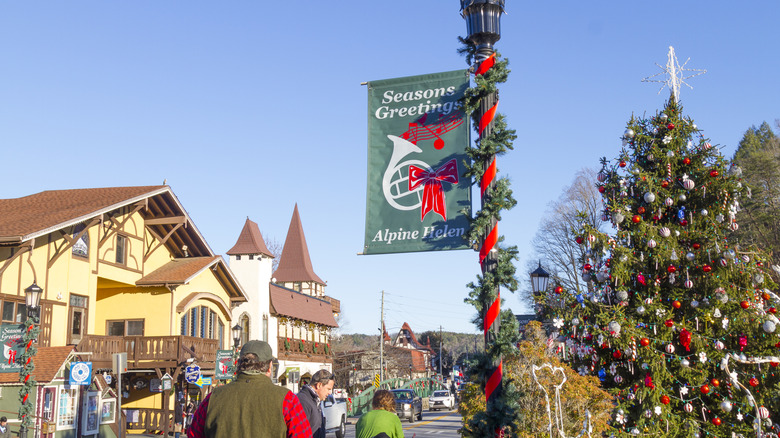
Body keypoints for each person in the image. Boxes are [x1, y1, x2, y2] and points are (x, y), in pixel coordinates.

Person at [187, 340, 312, 438]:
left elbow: (193, 434)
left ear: (239, 365)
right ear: (269, 367)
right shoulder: (287, 400)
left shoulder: (213, 397)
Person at [297, 369, 335, 438]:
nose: (330, 393)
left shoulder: (315, 401)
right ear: (319, 385)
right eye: (328, 389)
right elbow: (298, 433)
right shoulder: (303, 401)